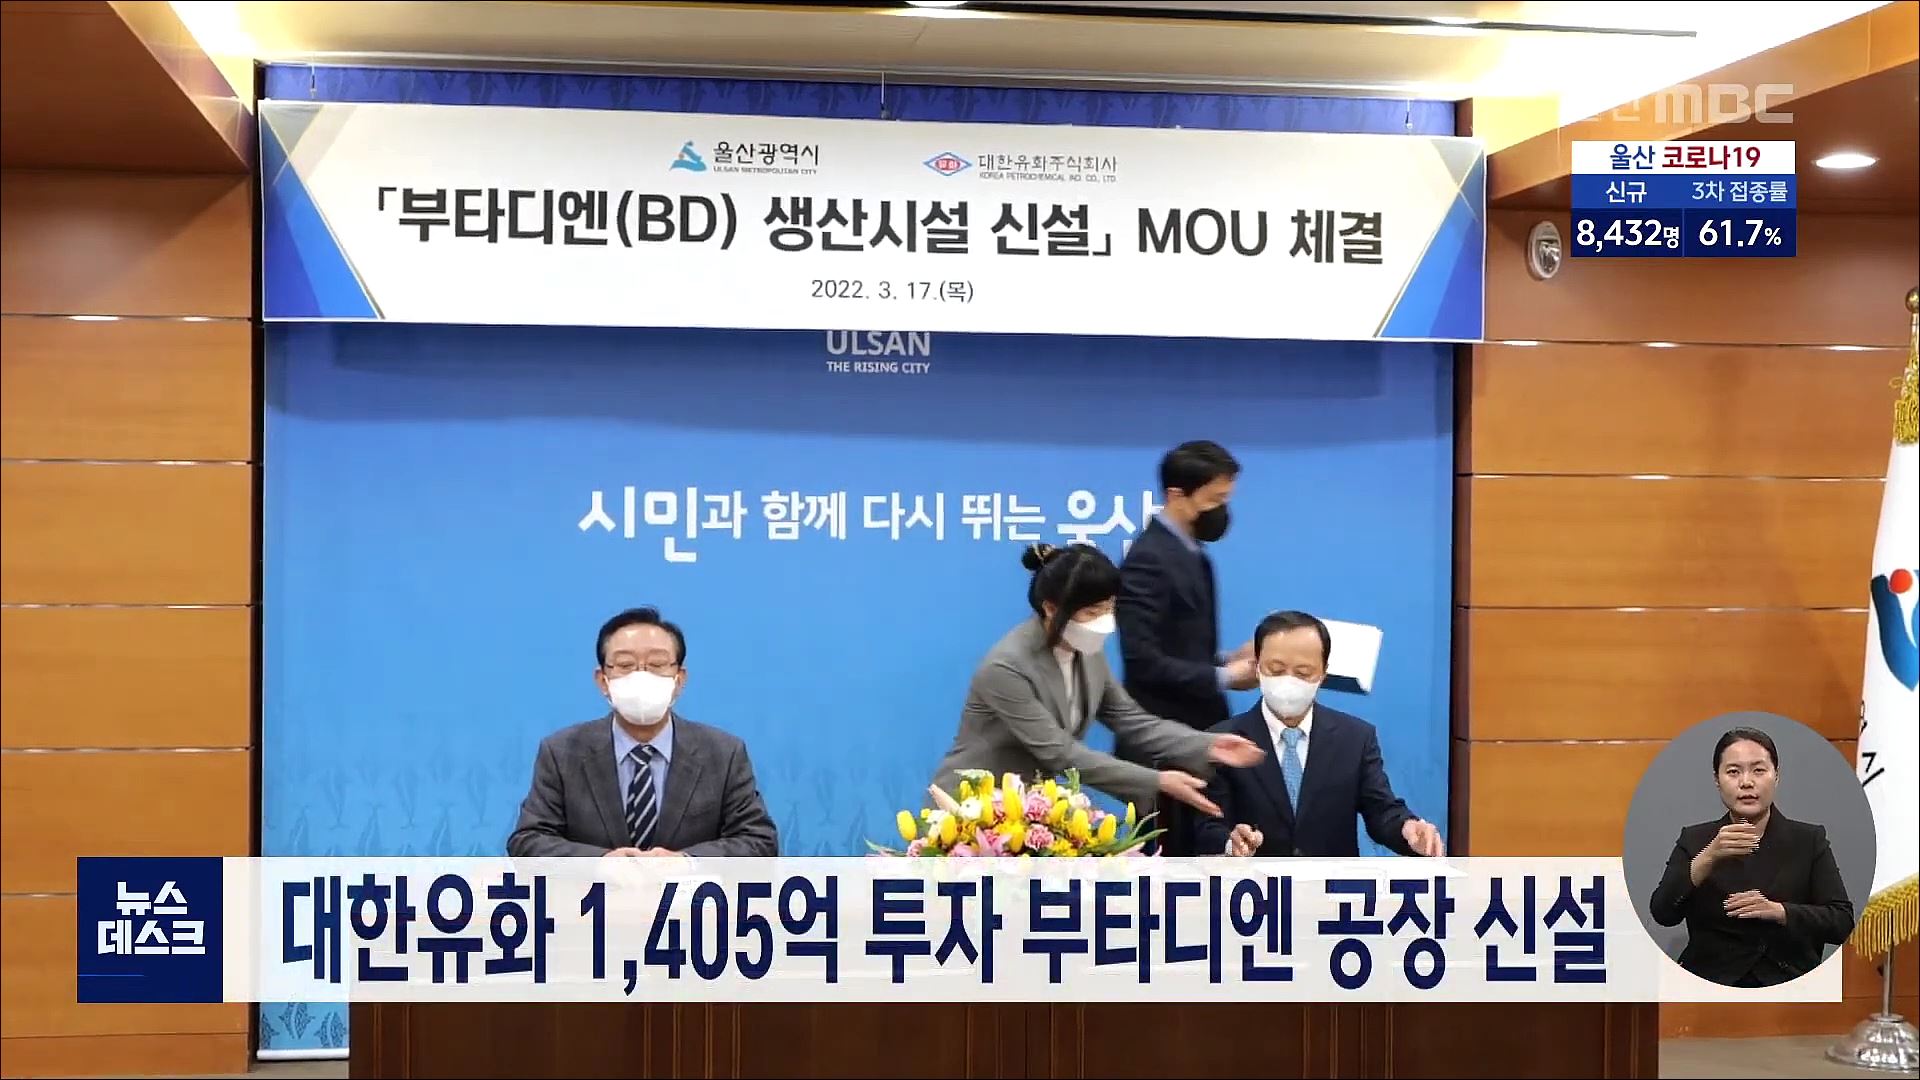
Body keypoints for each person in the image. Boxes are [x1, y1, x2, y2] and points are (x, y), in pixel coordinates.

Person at [930, 543, 1265, 818]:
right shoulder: (1006, 667)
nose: (1104, 622)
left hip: (1029, 811)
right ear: (1051, 608)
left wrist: (1207, 745)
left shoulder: (1086, 648)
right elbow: (1060, 754)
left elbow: (1130, 720)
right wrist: (1158, 780)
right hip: (970, 809)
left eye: (1109, 608)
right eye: (1091, 612)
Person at [506, 606, 778, 858]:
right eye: (625, 665)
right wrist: (599, 863)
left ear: (679, 679)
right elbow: (529, 840)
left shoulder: (723, 753)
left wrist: (688, 862)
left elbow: (759, 841)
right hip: (594, 894)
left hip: (689, 895)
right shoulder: (562, 752)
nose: (641, 676)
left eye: (657, 664)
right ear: (603, 680)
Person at [1201, 610, 1444, 859]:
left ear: (1323, 674)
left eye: (1303, 672)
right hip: (1254, 883)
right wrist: (1230, 843)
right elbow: (1206, 826)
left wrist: (1408, 830)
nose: (1288, 681)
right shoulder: (1222, 741)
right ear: (1257, 668)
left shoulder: (1355, 739)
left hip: (1332, 882)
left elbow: (1382, 811)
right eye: (1276, 669)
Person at [1116, 441, 1259, 853]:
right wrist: (1225, 676)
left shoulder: (1193, 552)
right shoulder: (1148, 559)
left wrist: (1228, 659)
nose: (1221, 511)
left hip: (1199, 737)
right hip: (1164, 744)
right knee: (1172, 861)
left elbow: (1181, 647)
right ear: (1177, 494)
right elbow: (1144, 662)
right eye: (1214, 500)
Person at [1647, 727, 1854, 987]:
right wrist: (1708, 857)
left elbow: (1841, 922)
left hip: (1787, 981)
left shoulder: (1808, 840)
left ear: (1776, 776)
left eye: (1758, 770)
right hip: (1712, 984)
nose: (1746, 782)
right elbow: (1663, 913)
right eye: (1733, 772)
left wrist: (1780, 911)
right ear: (1717, 779)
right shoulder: (1695, 839)